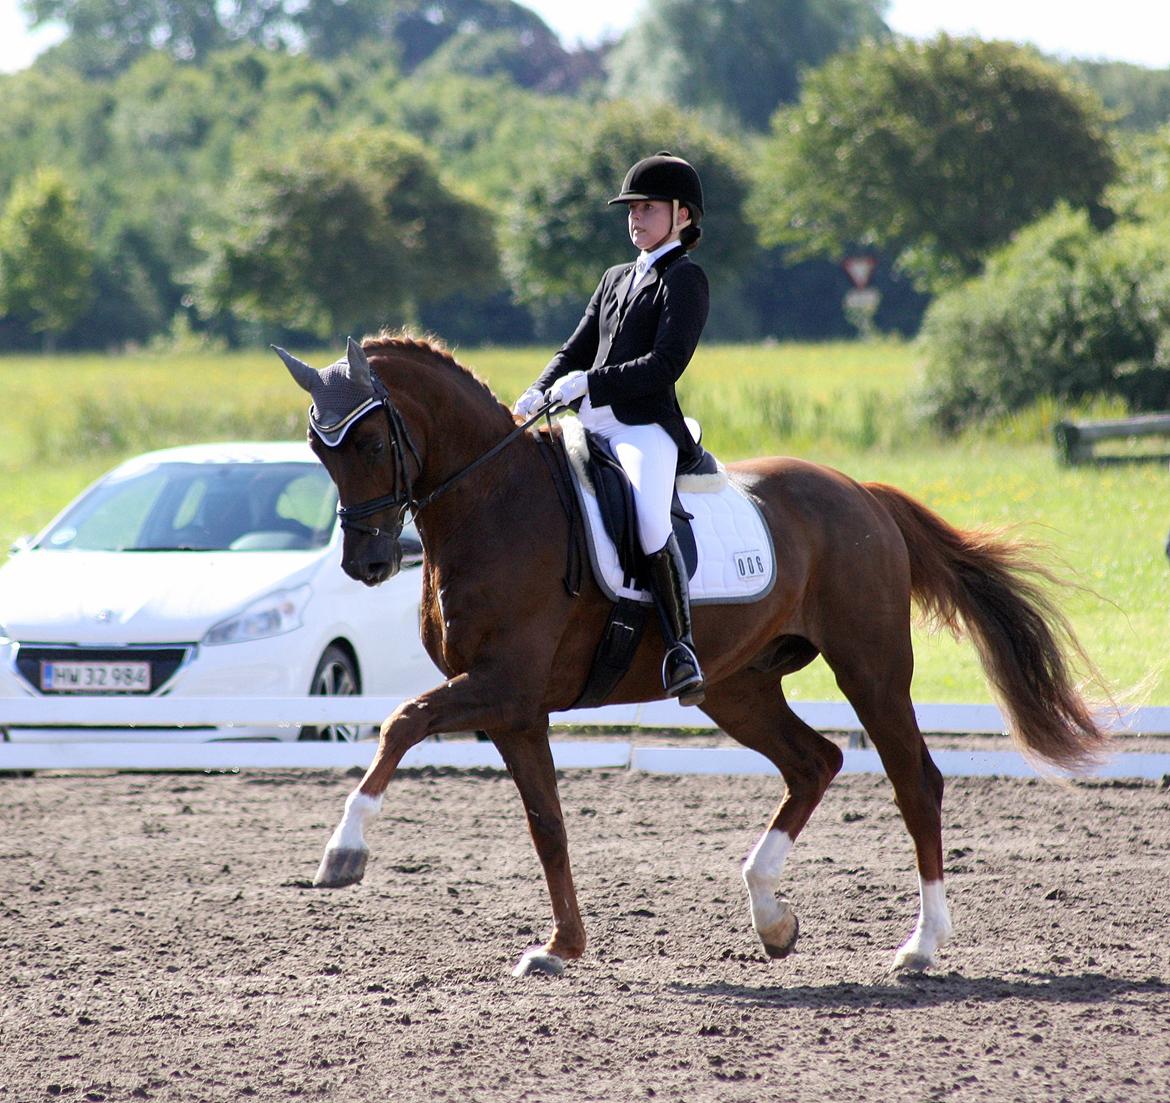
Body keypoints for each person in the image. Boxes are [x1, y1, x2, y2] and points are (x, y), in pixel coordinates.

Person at [513, 151, 709, 704]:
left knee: (649, 516)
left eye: (648, 209)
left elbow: (666, 364)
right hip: (587, 425)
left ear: (683, 217)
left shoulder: (685, 280)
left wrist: (591, 384)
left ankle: (680, 647)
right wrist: (541, 387)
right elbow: (575, 346)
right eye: (632, 210)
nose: (636, 219)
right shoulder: (616, 277)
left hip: (643, 427)